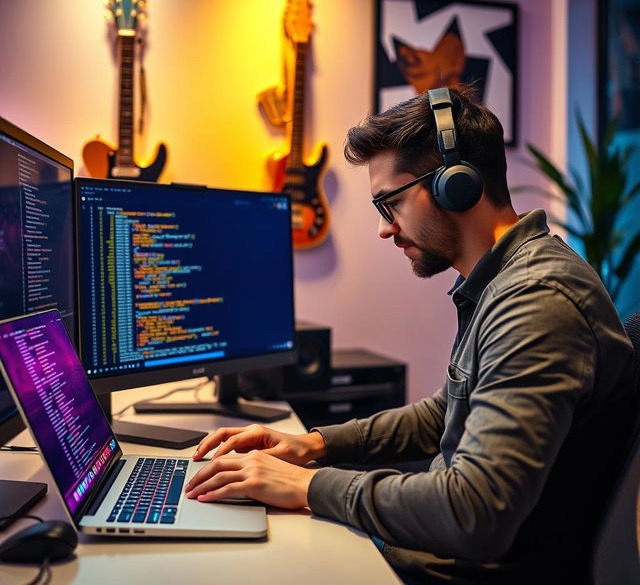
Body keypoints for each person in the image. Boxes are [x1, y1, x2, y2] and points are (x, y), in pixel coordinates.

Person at [184, 86, 636, 584]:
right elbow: (444, 413)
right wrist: (309, 445)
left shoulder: (538, 299)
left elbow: (473, 512)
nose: (385, 229)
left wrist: (308, 486)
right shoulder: (501, 282)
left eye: (389, 203)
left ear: (455, 185)